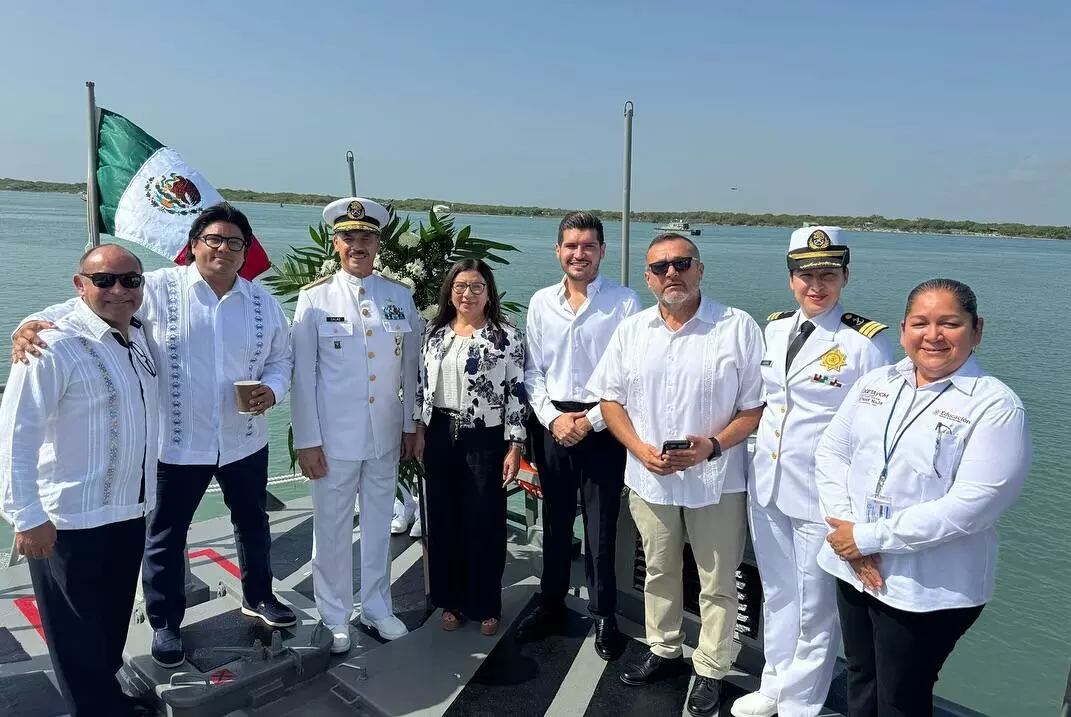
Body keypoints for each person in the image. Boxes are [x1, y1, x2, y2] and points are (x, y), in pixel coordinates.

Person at [12, 203, 296, 669]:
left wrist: (274, 388)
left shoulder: (262, 303)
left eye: (235, 243)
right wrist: (27, 326)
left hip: (244, 438)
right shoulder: (157, 288)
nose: (224, 249)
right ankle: (165, 621)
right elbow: (85, 306)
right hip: (175, 443)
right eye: (214, 239)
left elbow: (281, 358)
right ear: (194, 245)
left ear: (246, 252)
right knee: (165, 535)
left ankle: (259, 596)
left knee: (253, 522)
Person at [815, 279, 1030, 717]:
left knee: (901, 697)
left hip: (927, 586)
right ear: (902, 330)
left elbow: (972, 507)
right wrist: (848, 534)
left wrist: (867, 539)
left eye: (949, 323)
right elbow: (831, 452)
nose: (933, 335)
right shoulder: (877, 383)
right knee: (861, 676)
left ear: (977, 330)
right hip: (854, 567)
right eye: (920, 323)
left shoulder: (995, 407)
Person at [587, 233, 764, 717]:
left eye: (682, 264)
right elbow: (610, 400)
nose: (672, 273)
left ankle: (711, 668)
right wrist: (638, 448)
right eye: (660, 267)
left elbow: (754, 409)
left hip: (717, 480)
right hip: (651, 477)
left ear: (699, 270)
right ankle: (664, 648)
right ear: (648, 278)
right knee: (659, 570)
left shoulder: (737, 327)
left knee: (718, 581)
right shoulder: (633, 330)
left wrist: (713, 445)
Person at [733, 227, 895, 717]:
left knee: (816, 606)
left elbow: (874, 432)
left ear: (845, 277)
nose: (816, 285)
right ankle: (774, 683)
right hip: (767, 485)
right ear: (791, 279)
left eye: (828, 275)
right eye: (806, 275)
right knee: (779, 592)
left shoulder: (865, 343)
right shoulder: (774, 329)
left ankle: (801, 703)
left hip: (822, 497)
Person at [0, 245, 159, 717]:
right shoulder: (51, 345)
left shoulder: (138, 334)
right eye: (104, 280)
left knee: (110, 621)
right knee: (74, 630)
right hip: (68, 517)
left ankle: (108, 698)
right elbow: (16, 434)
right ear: (80, 285)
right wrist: (26, 515)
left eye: (130, 280)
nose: (118, 290)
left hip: (128, 508)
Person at [290, 196, 422, 653]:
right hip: (333, 439)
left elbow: (410, 370)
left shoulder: (399, 296)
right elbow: (302, 377)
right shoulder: (315, 298)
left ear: (378, 242)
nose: (357, 244)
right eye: (348, 236)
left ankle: (377, 607)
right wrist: (307, 440)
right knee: (331, 530)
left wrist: (410, 425)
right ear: (336, 242)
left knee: (380, 524)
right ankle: (334, 615)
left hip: (384, 434)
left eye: (365, 236)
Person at [518, 211, 640, 659]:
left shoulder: (624, 302)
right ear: (558, 251)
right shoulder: (540, 302)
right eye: (571, 245)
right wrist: (554, 419)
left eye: (588, 245)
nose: (579, 254)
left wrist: (589, 421)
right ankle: (551, 603)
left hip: (603, 425)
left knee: (602, 526)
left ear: (602, 251)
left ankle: (603, 613)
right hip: (553, 423)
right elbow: (532, 371)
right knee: (553, 523)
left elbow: (629, 375)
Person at [413, 259, 528, 636]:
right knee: (443, 520)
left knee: (484, 521)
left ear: (488, 293)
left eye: (477, 286)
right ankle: (450, 601)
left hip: (485, 436)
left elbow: (517, 393)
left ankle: (485, 604)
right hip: (439, 432)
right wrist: (418, 430)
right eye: (460, 286)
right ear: (450, 292)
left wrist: (515, 445)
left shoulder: (507, 336)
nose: (468, 294)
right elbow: (420, 386)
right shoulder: (433, 333)